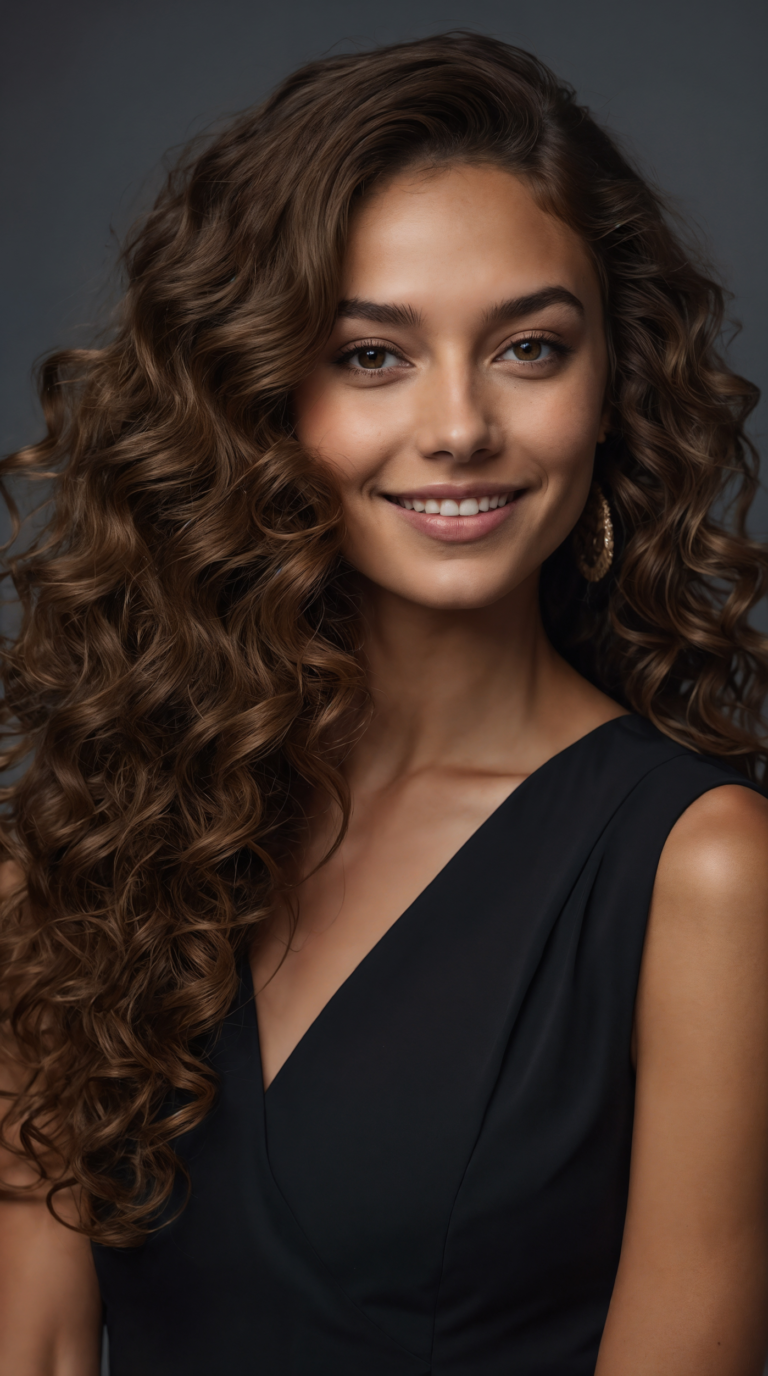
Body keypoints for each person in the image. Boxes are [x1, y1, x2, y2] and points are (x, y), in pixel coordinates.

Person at [1, 30, 767, 1376]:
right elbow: (41, 1343)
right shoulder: (87, 846)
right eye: (372, 356)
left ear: (612, 387)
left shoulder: (702, 876)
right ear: (259, 394)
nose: (460, 426)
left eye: (529, 347)